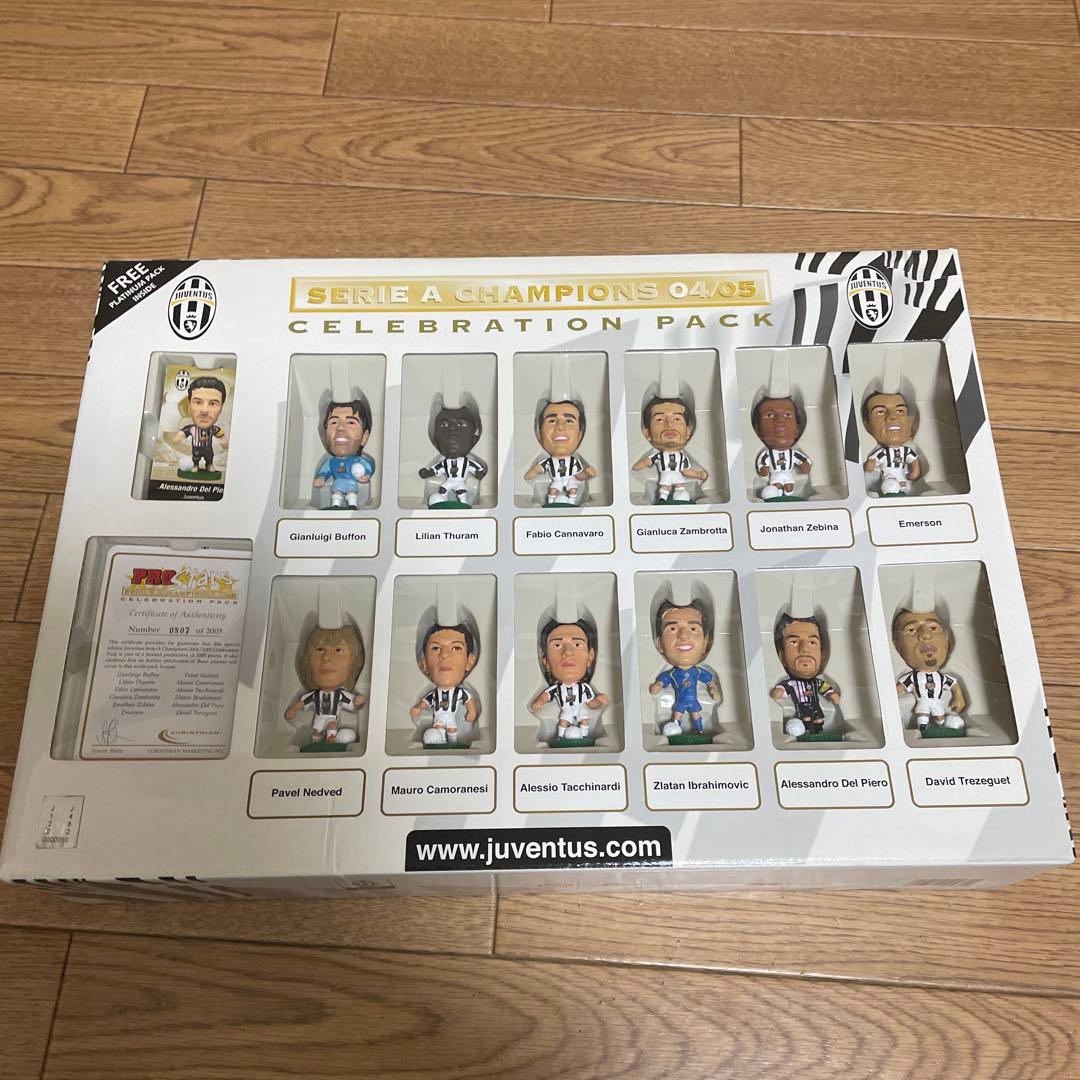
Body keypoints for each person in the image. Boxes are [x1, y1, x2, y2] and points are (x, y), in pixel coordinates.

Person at [284, 624, 366, 746]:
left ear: (354, 664)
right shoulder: (315, 695)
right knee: (316, 731)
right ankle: (316, 743)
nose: (326, 657)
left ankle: (330, 741)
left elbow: (352, 703)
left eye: (338, 650)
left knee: (331, 725)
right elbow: (303, 702)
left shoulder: (340, 695)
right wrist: (293, 709)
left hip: (331, 718)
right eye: (320, 649)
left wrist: (358, 700)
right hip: (318, 718)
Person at [649, 598, 720, 738]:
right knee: (678, 716)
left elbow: (709, 680)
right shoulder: (673, 673)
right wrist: (658, 684)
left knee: (696, 715)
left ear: (705, 643)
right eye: (672, 629)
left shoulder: (697, 671)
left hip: (693, 700)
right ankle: (676, 730)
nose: (683, 635)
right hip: (680, 701)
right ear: (660, 644)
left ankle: (699, 731)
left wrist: (713, 687)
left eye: (693, 628)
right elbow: (664, 679)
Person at [529, 617, 608, 742]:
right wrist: (539, 702)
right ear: (546, 662)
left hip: (579, 707)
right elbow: (546, 696)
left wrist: (598, 700)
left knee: (584, 720)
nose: (568, 652)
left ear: (590, 657)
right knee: (563, 721)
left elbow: (590, 703)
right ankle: (560, 737)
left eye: (577, 644)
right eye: (557, 645)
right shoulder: (557, 688)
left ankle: (584, 736)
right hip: (566, 709)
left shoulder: (584, 688)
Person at [891, 608, 967, 734]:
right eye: (911, 630)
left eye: (933, 628)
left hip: (937, 702)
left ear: (947, 643)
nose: (925, 635)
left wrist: (959, 697)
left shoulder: (941, 677)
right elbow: (898, 689)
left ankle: (942, 728)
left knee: (940, 717)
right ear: (897, 648)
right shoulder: (913, 678)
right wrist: (888, 697)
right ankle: (923, 729)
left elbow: (953, 685)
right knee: (923, 717)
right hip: (923, 702)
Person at [770, 612, 840, 738]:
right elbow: (784, 688)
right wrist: (779, 691)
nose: (804, 649)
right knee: (806, 719)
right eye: (793, 642)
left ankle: (818, 731)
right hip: (802, 707)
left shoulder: (817, 682)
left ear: (822, 655)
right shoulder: (792, 683)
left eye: (812, 642)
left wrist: (831, 694)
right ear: (782, 657)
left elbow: (824, 688)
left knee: (818, 719)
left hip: (815, 705)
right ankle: (807, 732)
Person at [410, 623, 480, 746]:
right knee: (439, 729)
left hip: (451, 718)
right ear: (425, 664)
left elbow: (468, 700)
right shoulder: (434, 694)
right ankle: (441, 742)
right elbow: (426, 702)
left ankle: (452, 743)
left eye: (456, 648)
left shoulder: (459, 692)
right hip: (439, 718)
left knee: (452, 730)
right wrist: (419, 707)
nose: (444, 654)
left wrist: (472, 711)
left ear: (470, 661)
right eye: (435, 648)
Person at [632, 396, 708, 503]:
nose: (669, 425)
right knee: (664, 489)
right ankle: (662, 499)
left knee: (680, 489)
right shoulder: (659, 457)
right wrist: (639, 465)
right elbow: (647, 461)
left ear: (688, 432)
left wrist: (698, 474)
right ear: (647, 433)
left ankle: (681, 498)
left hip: (677, 477)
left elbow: (685, 470)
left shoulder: (681, 458)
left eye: (677, 419)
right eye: (660, 420)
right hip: (665, 477)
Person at [524, 399, 597, 506]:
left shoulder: (573, 461)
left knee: (573, 489)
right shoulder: (550, 462)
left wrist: (586, 473)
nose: (560, 427)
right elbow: (539, 468)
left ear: (580, 435)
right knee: (553, 490)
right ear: (540, 435)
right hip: (557, 480)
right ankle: (551, 501)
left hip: (570, 479)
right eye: (552, 421)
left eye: (569, 421)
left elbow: (578, 476)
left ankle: (572, 501)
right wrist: (533, 472)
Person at [419, 404, 487, 508]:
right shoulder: (445, 463)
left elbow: (475, 467)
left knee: (461, 493)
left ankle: (464, 504)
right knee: (443, 490)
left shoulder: (466, 462)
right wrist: (428, 473)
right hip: (449, 481)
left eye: (461, 424)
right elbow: (436, 469)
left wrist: (479, 472)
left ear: (474, 440)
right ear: (435, 442)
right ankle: (442, 503)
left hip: (460, 482)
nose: (452, 429)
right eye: (444, 425)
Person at [314, 398, 375, 509]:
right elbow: (324, 471)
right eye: (334, 422)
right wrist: (321, 478)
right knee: (336, 496)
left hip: (351, 484)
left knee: (351, 495)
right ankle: (335, 506)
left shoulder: (358, 460)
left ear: (364, 437)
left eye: (351, 422)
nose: (341, 428)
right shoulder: (331, 462)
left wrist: (367, 474)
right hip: (338, 484)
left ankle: (352, 505)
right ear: (325, 434)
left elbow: (367, 466)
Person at [862, 390, 923, 496]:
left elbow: (914, 460)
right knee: (890, 484)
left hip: (902, 476)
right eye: (880, 412)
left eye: (900, 411)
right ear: (867, 426)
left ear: (909, 423)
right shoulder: (882, 453)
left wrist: (915, 472)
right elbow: (873, 463)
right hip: (888, 477)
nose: (893, 416)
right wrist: (870, 465)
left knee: (904, 486)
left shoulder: (906, 451)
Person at [167, 376, 229, 475]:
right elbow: (183, 432)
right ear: (189, 406)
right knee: (196, 457)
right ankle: (195, 465)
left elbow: (220, 434)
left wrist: (224, 439)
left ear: (221, 408)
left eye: (212, 404)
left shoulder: (213, 429)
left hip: (208, 448)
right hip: (196, 448)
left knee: (209, 456)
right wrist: (178, 437)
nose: (204, 411)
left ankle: (209, 464)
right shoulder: (191, 429)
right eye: (198, 402)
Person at [752, 396, 811, 500]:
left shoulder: (793, 453)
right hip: (775, 477)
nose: (780, 420)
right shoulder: (768, 454)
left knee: (789, 488)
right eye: (769, 415)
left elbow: (802, 459)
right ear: (758, 431)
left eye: (787, 415)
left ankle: (788, 494)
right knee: (776, 487)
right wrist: (763, 468)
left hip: (788, 476)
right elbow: (763, 461)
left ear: (797, 429)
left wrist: (805, 464)